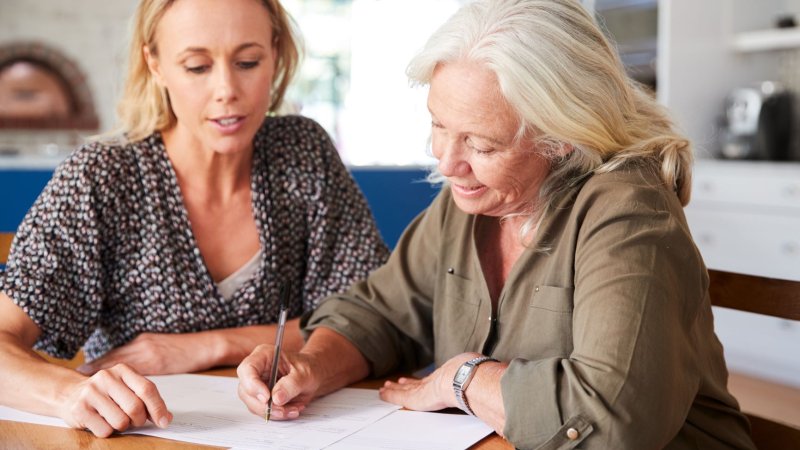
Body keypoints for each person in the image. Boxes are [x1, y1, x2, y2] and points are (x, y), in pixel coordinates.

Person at [236, 1, 757, 448]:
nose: (447, 162)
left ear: (563, 138)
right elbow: (383, 313)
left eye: (482, 145)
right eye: (438, 126)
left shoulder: (629, 211)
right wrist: (312, 365)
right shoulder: (470, 201)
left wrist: (462, 379)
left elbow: (610, 422)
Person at [0, 0, 388, 438]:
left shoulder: (303, 154)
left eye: (247, 61)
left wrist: (204, 347)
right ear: (156, 64)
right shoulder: (101, 178)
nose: (226, 89)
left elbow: (375, 320)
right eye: (197, 67)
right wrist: (67, 394)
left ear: (276, 54)